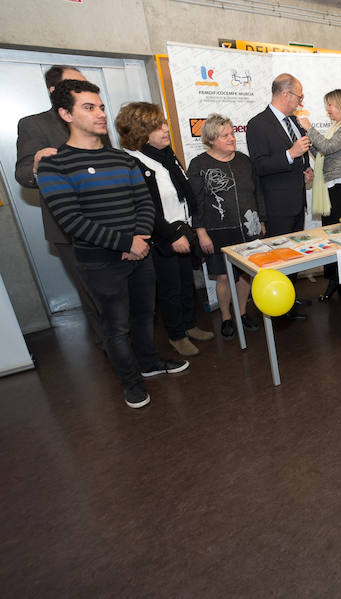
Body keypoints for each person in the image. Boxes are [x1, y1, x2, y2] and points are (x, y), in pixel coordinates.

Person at [36, 80, 190, 409]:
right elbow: (71, 220)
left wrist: (138, 240)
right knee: (116, 326)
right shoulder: (54, 164)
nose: (100, 114)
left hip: (139, 251)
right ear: (65, 114)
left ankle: (149, 363)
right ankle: (131, 383)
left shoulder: (122, 159)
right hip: (99, 262)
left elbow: (145, 204)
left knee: (144, 315)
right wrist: (125, 242)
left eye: (101, 106)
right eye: (88, 108)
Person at [115, 102, 214, 357]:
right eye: (156, 126)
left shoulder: (167, 155)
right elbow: (145, 208)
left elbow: (182, 196)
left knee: (186, 284)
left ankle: (190, 324)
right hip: (162, 237)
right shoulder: (133, 161)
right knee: (170, 288)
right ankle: (176, 335)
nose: (165, 129)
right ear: (139, 131)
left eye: (164, 123)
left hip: (183, 231)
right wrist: (170, 235)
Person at [16, 65, 104, 342]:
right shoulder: (34, 124)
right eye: (77, 85)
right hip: (70, 229)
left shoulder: (96, 120)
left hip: (109, 222)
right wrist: (38, 165)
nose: (86, 89)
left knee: (120, 291)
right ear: (56, 92)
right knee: (93, 295)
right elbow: (23, 172)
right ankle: (112, 351)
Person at [187, 114, 265, 340]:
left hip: (247, 230)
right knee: (222, 277)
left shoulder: (244, 160)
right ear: (211, 139)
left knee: (244, 276)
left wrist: (260, 220)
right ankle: (226, 317)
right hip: (217, 233)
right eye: (225, 135)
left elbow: (256, 192)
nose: (232, 138)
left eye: (232, 134)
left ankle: (241, 313)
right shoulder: (199, 165)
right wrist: (200, 233)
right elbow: (196, 203)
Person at [246, 73, 313, 320]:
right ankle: (277, 306)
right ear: (285, 94)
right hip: (276, 206)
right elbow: (259, 166)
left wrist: (306, 169)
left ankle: (289, 297)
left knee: (293, 255)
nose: (300, 102)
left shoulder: (293, 122)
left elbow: (300, 156)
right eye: (299, 97)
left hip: (297, 201)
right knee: (278, 258)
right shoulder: (258, 124)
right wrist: (290, 154)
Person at [298, 89, 341, 306]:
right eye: (326, 105)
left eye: (331, 105)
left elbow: (327, 147)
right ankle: (334, 280)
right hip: (330, 188)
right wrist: (309, 144)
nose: (327, 110)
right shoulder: (336, 127)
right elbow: (322, 154)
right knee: (331, 241)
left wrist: (310, 128)